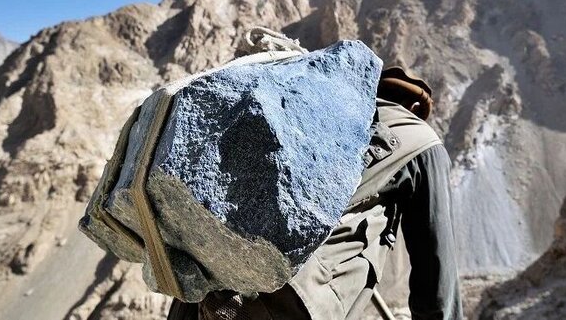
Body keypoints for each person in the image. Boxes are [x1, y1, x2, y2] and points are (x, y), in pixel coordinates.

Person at [167, 62, 463, 320]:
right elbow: (436, 274)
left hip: (201, 294)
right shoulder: (422, 141)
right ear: (415, 109)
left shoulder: (320, 116)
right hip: (288, 300)